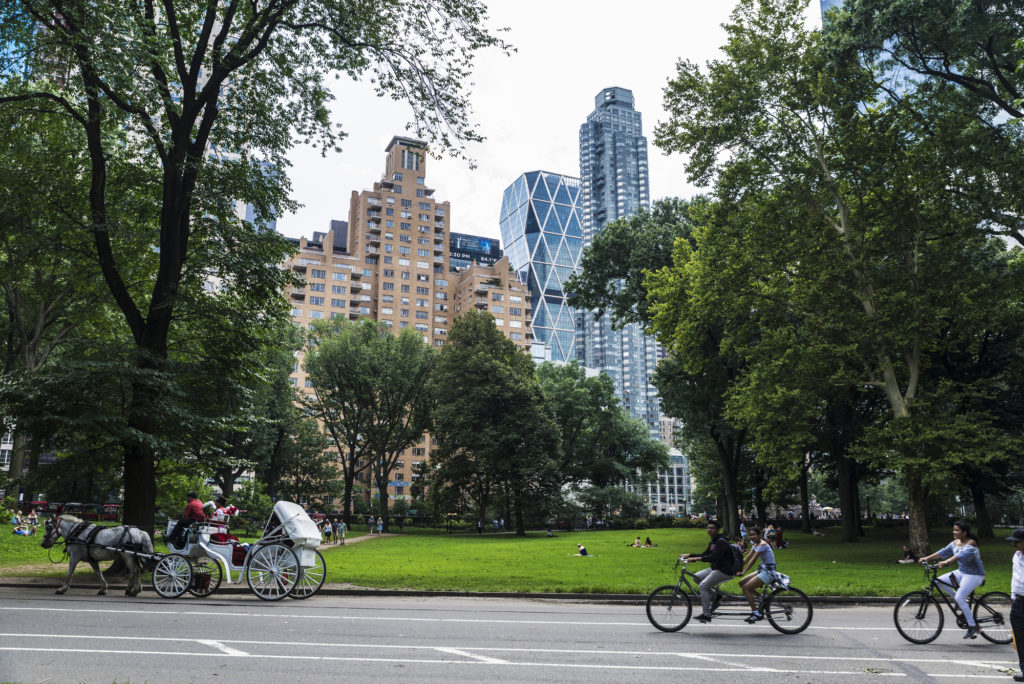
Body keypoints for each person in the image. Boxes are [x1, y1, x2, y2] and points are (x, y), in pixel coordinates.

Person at [918, 520, 986, 639]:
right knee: (938, 581)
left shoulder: (971, 543)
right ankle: (959, 601)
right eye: (953, 529)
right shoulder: (955, 542)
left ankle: (973, 626)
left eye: (956, 530)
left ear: (964, 533)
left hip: (975, 575)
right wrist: (926, 558)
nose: (953, 532)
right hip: (962, 572)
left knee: (960, 597)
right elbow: (943, 551)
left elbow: (960, 555)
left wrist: (946, 561)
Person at [681, 520, 737, 623]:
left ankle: (706, 615)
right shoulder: (713, 542)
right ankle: (716, 595)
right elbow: (704, 554)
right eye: (708, 528)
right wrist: (689, 555)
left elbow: (713, 557)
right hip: (715, 568)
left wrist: (694, 559)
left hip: (724, 570)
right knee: (696, 577)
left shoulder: (721, 542)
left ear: (718, 530)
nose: (709, 530)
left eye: (712, 528)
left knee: (703, 586)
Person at [737, 527, 779, 622]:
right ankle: (762, 598)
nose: (752, 536)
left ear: (759, 535)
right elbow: (746, 559)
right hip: (763, 569)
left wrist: (744, 572)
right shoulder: (755, 544)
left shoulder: (763, 544)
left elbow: (752, 561)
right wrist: (734, 567)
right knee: (741, 582)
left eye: (754, 534)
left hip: (769, 571)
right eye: (750, 535)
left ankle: (756, 613)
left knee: (746, 588)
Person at [1005, 528, 1024, 682]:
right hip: (1018, 603)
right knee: (1020, 639)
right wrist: (1013, 598)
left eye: (1017, 541)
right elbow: (1015, 577)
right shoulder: (1016, 556)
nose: (1014, 545)